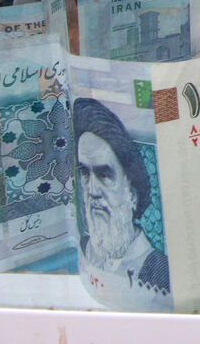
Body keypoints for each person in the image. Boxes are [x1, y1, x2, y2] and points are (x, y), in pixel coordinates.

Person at [73, 97, 171, 308]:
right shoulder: (84, 248)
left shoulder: (162, 273)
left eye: (104, 175)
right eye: (85, 173)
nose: (92, 191)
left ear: (132, 192)